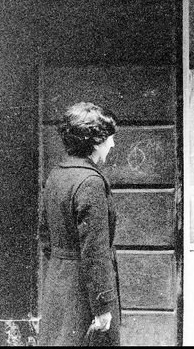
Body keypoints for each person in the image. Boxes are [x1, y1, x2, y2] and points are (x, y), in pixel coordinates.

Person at [39, 102, 121, 346]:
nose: (112, 144)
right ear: (96, 142)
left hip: (58, 285)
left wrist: (63, 267)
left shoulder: (57, 175)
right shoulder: (90, 182)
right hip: (84, 296)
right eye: (109, 138)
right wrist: (103, 306)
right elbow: (95, 251)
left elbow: (46, 238)